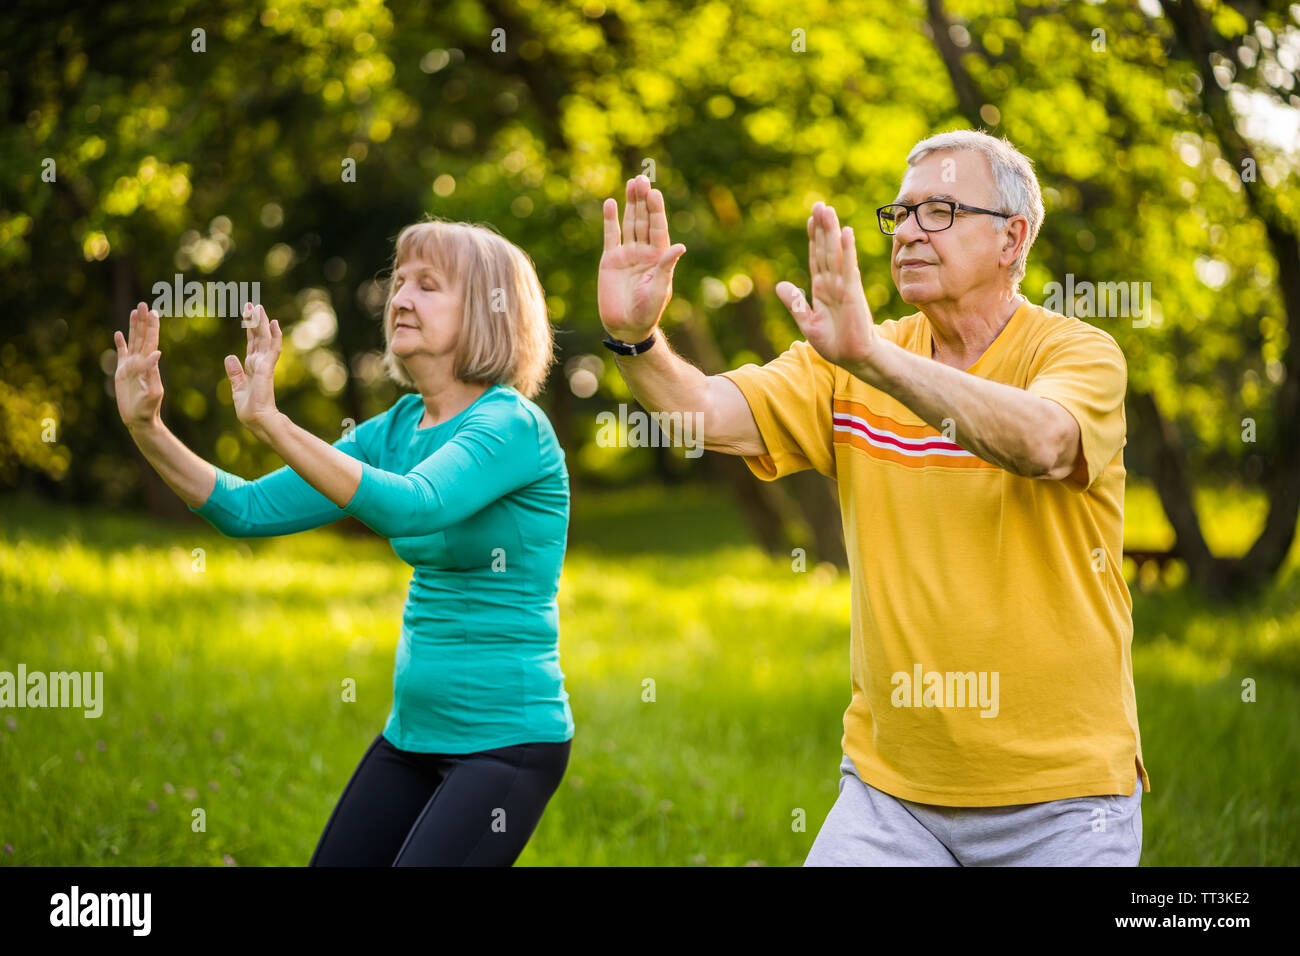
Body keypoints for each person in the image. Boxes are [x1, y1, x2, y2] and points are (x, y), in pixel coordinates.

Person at [597, 129, 1148, 866]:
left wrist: (875, 359)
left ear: (1013, 238)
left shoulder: (1074, 352)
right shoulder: (848, 358)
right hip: (891, 795)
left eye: (941, 211)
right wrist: (639, 340)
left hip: (1064, 800)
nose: (911, 231)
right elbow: (705, 413)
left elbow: (1043, 443)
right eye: (901, 213)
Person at [114, 219, 573, 866]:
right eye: (400, 281)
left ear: (489, 313)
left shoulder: (510, 425)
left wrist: (273, 423)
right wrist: (148, 428)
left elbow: (415, 506)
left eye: (429, 285)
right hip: (412, 735)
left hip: (507, 746)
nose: (401, 297)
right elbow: (246, 510)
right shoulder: (397, 426)